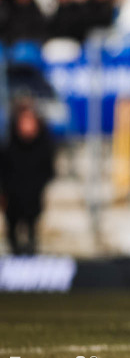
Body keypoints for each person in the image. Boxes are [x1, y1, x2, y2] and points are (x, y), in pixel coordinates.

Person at [0, 101, 56, 255]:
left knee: (31, 229)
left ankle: (31, 257)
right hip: (13, 199)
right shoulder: (8, 146)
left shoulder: (43, 147)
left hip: (33, 198)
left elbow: (49, 171)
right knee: (13, 230)